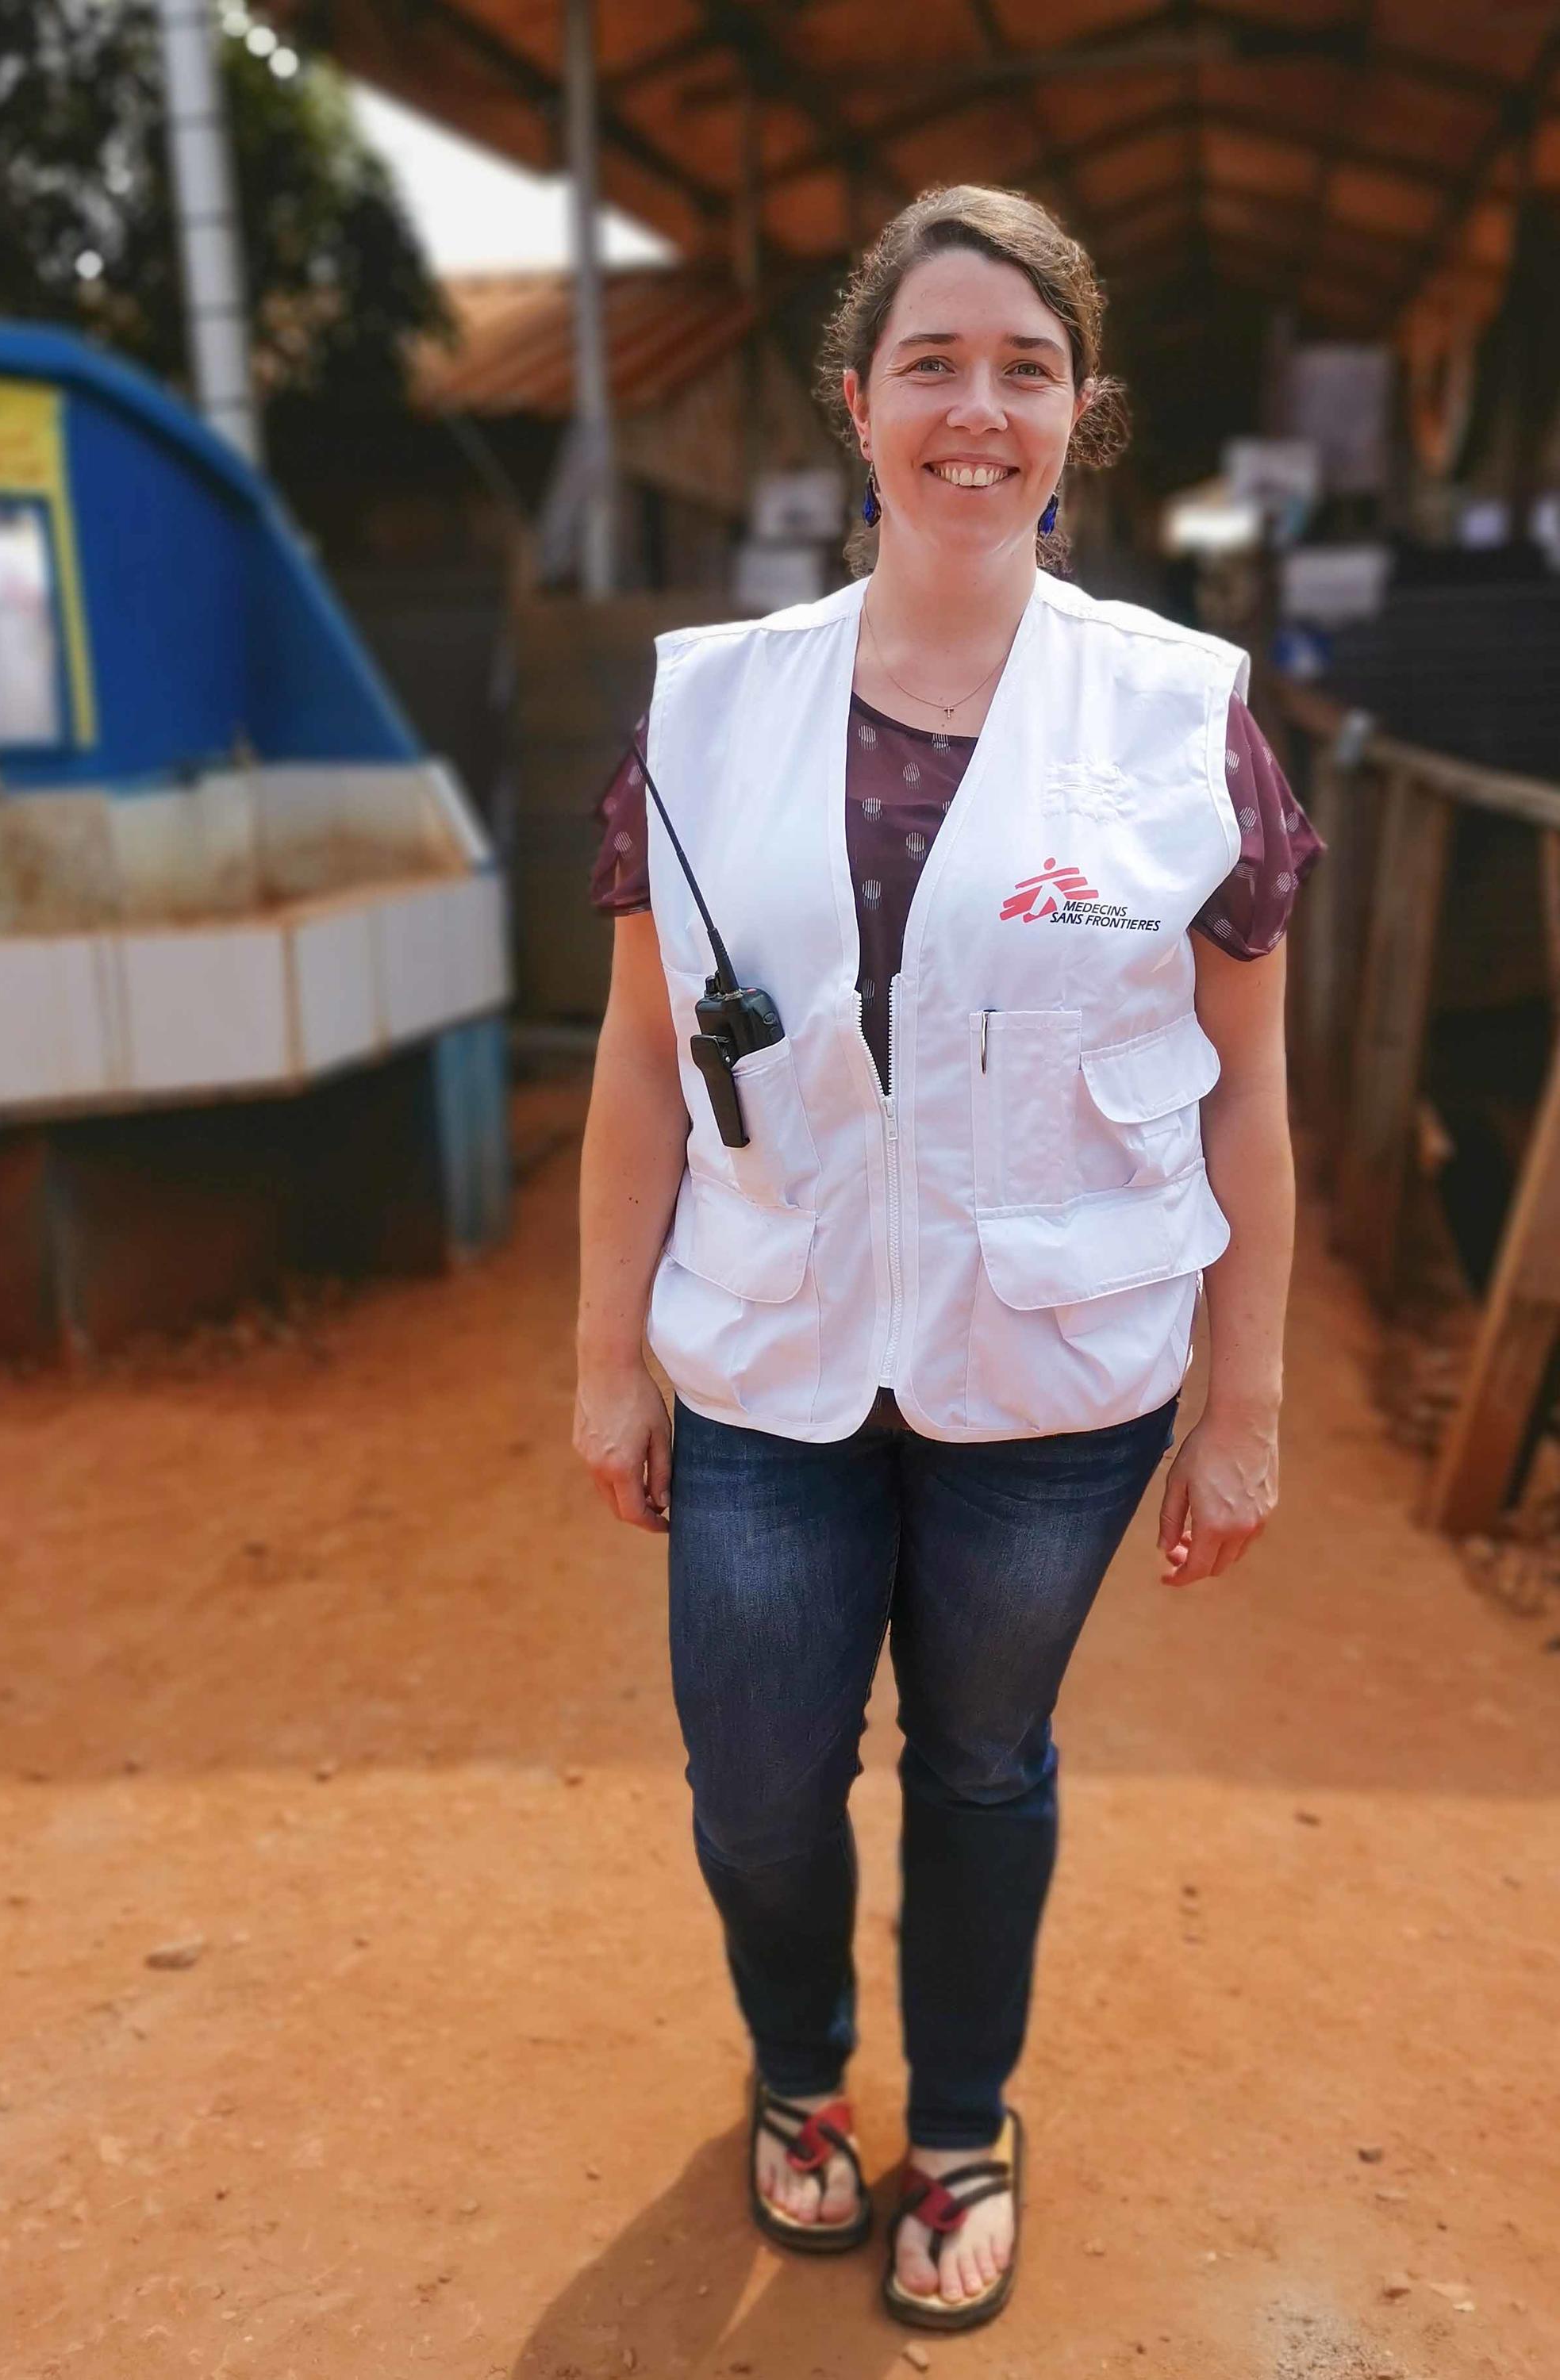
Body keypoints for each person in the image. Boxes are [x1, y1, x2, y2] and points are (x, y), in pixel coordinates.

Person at [573, 183, 1323, 2336]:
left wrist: (1246, 1408)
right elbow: (640, 1061)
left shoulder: (1187, 719)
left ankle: (965, 2118)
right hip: (774, 1348)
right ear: (858, 404)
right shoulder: (707, 717)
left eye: (1022, 369)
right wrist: (610, 1362)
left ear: (1080, 416)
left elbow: (1246, 1087)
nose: (974, 408)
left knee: (986, 1762)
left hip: (1054, 1380)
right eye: (933, 364)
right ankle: (801, 2068)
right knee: (756, 1776)